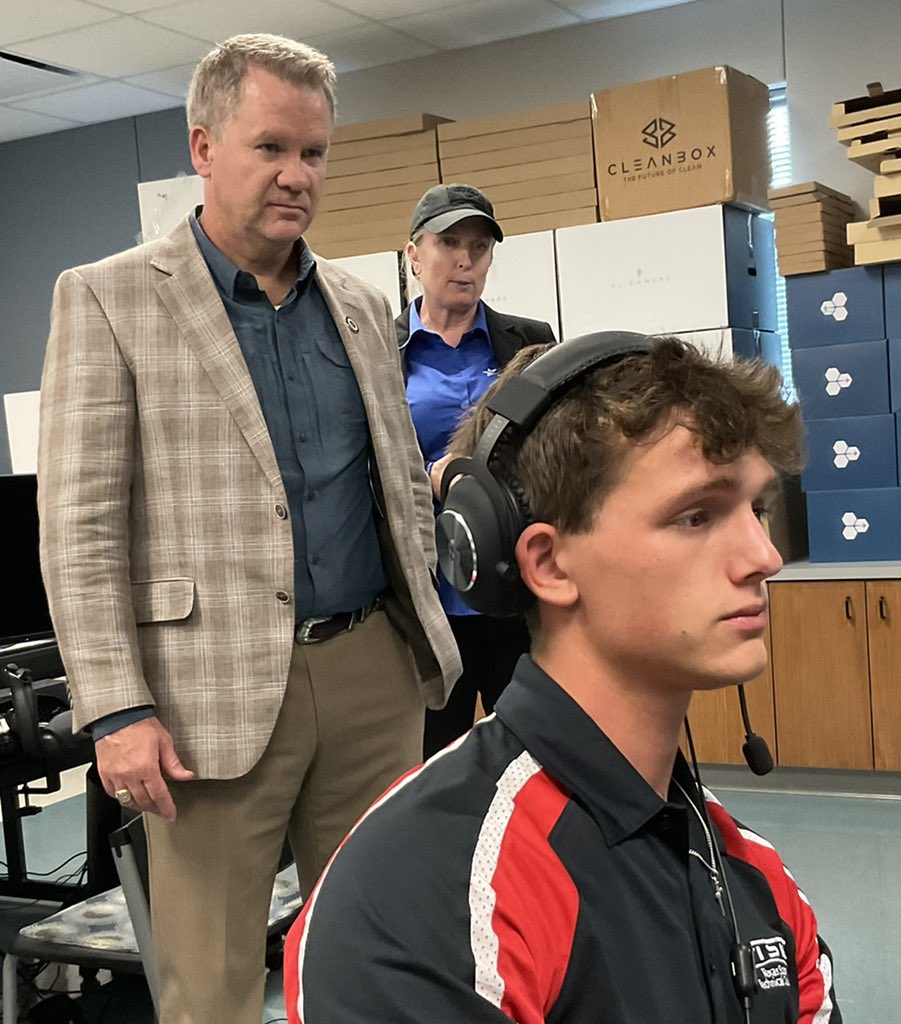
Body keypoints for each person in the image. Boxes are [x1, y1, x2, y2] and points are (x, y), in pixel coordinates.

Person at [37, 32, 460, 1024]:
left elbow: (396, 487)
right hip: (202, 701)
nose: (296, 176)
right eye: (271, 147)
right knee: (212, 980)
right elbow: (81, 528)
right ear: (204, 146)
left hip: (369, 673)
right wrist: (113, 709)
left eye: (314, 153)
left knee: (382, 944)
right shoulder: (107, 300)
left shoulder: (358, 306)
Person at [284, 333, 843, 1024]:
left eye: (756, 510)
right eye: (696, 515)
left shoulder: (759, 884)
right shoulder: (421, 892)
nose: (764, 556)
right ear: (548, 565)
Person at [397, 183, 556, 757]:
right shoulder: (382, 352)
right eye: (448, 243)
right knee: (433, 759)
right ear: (414, 254)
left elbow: (557, 445)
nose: (465, 260)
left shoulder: (531, 341)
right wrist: (433, 477)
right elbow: (366, 462)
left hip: (513, 585)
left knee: (534, 749)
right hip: (428, 599)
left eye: (480, 246)